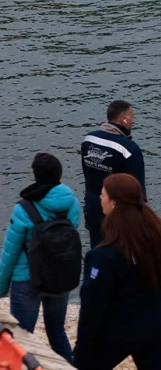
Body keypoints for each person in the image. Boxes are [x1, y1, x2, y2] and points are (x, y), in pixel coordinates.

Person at [73, 173, 161, 370]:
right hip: (159, 320)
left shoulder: (103, 255)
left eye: (102, 195)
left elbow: (92, 307)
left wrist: (82, 349)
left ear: (113, 203)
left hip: (118, 328)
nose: (100, 199)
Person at [0, 153, 81, 362]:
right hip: (59, 277)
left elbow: (10, 252)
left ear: (35, 175)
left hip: (27, 281)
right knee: (57, 332)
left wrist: (1, 287)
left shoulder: (24, 208)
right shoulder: (71, 203)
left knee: (22, 339)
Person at [82, 100, 145, 248]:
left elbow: (87, 173)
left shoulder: (89, 139)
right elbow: (137, 192)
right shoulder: (130, 149)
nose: (133, 120)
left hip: (92, 206)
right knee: (119, 257)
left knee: (96, 252)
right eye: (132, 116)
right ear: (124, 119)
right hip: (117, 215)